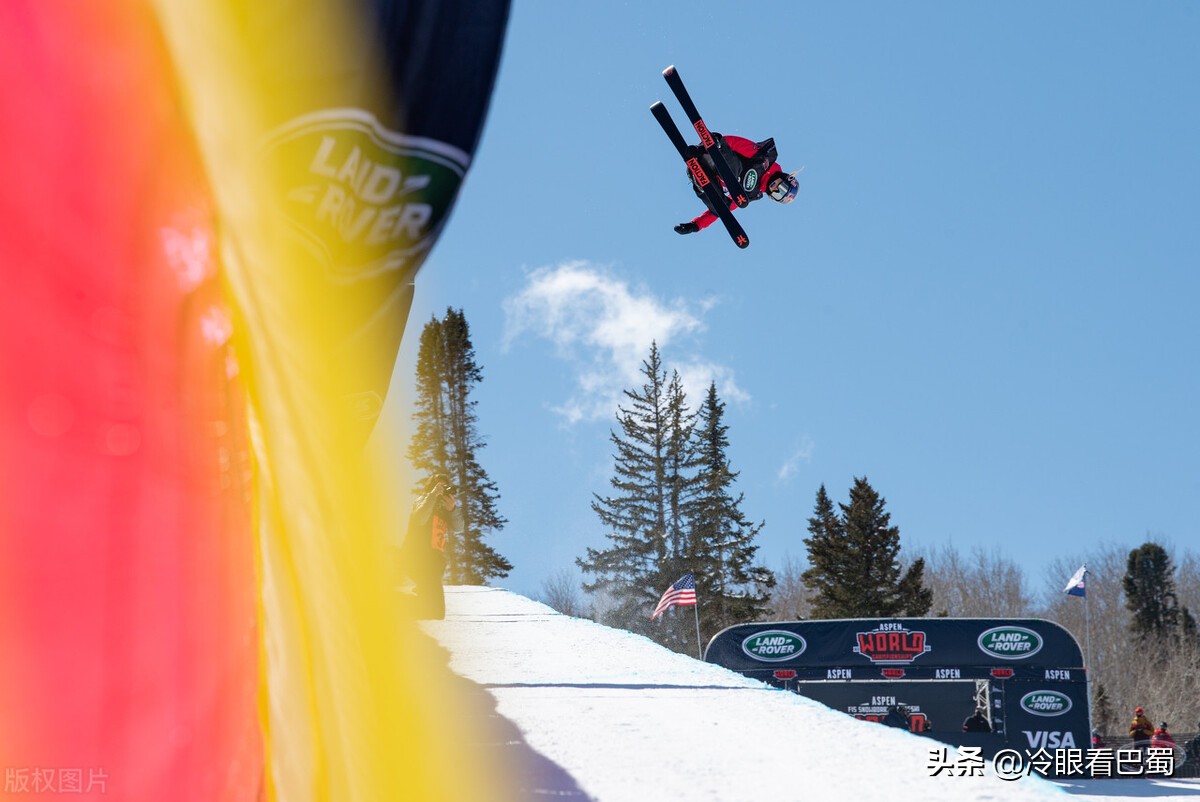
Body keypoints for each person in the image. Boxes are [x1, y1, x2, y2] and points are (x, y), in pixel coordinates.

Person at [673, 133, 798, 235]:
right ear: (785, 178)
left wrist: (696, 225)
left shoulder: (752, 193)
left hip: (708, 171)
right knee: (735, 173)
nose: (775, 189)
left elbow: (723, 211)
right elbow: (737, 143)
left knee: (723, 206)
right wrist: (715, 144)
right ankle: (713, 151)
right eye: (781, 188)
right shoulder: (764, 159)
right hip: (715, 154)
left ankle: (701, 182)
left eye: (778, 194)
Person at [399, 472, 463, 620]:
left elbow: (459, 527)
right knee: (436, 610)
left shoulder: (445, 509)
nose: (442, 490)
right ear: (431, 487)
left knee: (433, 609)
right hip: (417, 556)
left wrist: (453, 509)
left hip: (434, 561)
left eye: (444, 487)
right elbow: (420, 519)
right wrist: (433, 496)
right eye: (438, 486)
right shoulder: (422, 501)